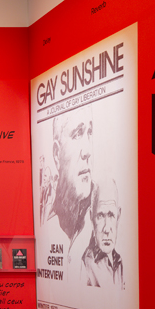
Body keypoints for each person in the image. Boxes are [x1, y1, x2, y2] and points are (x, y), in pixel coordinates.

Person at [42, 106, 95, 275]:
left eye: (90, 133)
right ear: (57, 154)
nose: (87, 151)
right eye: (77, 134)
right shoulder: (46, 224)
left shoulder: (100, 219)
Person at [81, 177, 124, 290]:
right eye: (100, 216)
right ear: (91, 217)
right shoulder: (85, 266)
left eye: (111, 215)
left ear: (118, 216)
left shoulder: (119, 262)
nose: (106, 229)